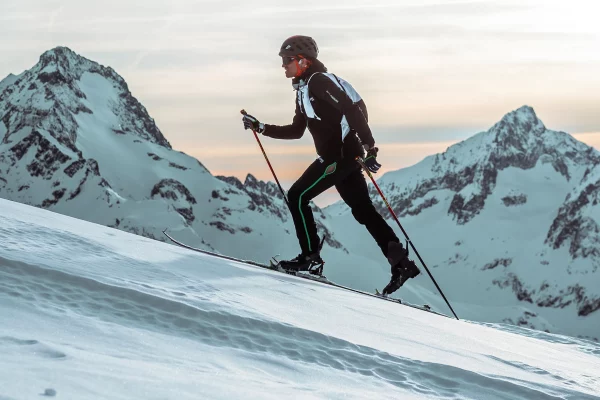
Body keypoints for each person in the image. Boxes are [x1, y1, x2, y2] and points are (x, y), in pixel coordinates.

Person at [241, 35, 420, 295]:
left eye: (287, 60)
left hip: (339, 157)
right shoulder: (303, 89)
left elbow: (350, 110)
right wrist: (261, 127)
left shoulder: (319, 82)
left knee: (297, 196)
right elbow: (296, 130)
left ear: (303, 60)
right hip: (343, 158)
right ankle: (401, 264)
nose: (283, 66)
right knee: (363, 211)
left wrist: (370, 147)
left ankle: (310, 257)